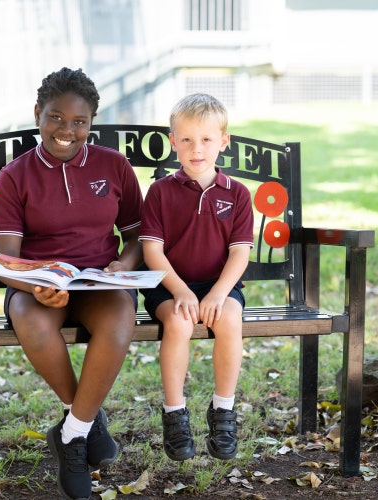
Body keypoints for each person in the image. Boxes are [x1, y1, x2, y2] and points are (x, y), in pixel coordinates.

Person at [0, 67, 143, 499]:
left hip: (98, 282)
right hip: (38, 287)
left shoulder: (113, 166)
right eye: (56, 117)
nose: (67, 130)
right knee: (33, 321)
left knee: (119, 321)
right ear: (38, 113)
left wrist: (120, 266)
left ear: (91, 124)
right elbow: (5, 258)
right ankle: (88, 419)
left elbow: (135, 236)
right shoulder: (15, 176)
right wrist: (36, 284)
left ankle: (73, 433)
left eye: (79, 122)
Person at [139, 93, 253, 461]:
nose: (196, 148)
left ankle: (223, 410)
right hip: (170, 286)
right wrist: (181, 291)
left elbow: (240, 252)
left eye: (206, 139)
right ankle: (175, 413)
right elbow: (152, 252)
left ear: (224, 142)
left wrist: (220, 294)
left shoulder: (237, 194)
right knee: (178, 322)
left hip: (219, 286)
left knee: (230, 319)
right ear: (173, 142)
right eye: (186, 139)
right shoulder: (159, 192)